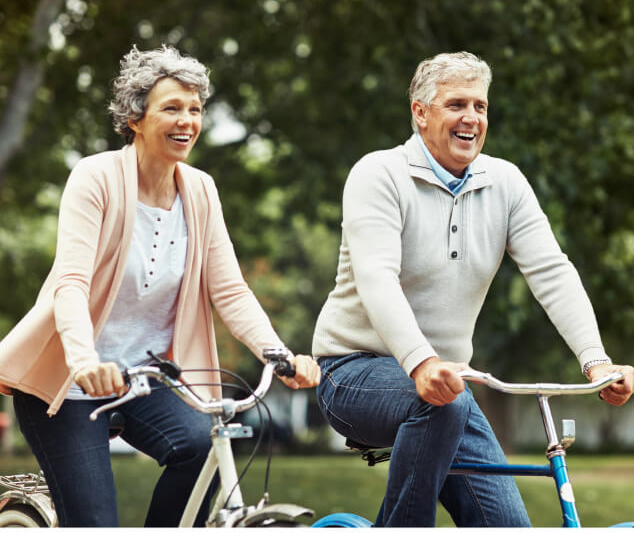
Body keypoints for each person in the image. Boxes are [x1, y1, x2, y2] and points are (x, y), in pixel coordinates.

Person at [0, 45, 320, 527]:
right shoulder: (96, 178)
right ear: (135, 117)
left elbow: (229, 290)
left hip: (150, 380)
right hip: (71, 384)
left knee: (201, 448)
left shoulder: (201, 190)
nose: (187, 120)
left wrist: (277, 354)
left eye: (195, 110)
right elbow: (70, 282)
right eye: (171, 108)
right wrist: (85, 360)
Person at [312, 51, 633, 527]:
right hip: (352, 371)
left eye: (480, 106)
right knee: (445, 400)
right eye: (456, 104)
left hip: (449, 386)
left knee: (508, 527)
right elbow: (376, 278)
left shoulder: (505, 183)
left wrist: (595, 360)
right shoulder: (378, 174)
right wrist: (421, 362)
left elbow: (552, 271)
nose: (471, 118)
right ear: (420, 113)